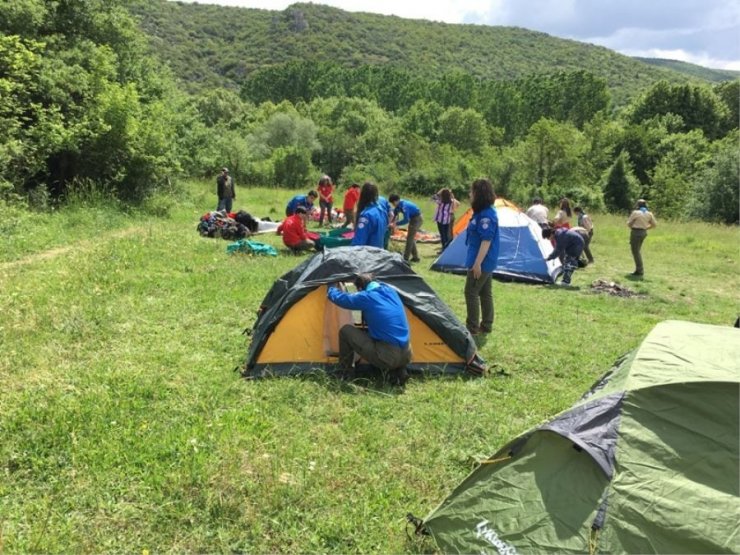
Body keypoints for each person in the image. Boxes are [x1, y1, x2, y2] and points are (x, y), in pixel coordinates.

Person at [327, 273, 412, 385]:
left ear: (361, 288)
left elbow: (342, 299)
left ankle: (345, 373)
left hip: (388, 356)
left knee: (346, 331)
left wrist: (331, 287)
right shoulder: (391, 291)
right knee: (385, 333)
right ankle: (399, 372)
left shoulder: (367, 297)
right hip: (407, 355)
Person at [464, 178, 500, 335]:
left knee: (470, 291)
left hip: (482, 260)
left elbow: (486, 240)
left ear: (478, 194)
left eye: (472, 191)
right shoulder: (481, 212)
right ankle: (486, 325)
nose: (469, 194)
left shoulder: (487, 215)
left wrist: (477, 263)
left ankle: (472, 328)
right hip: (481, 258)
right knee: (485, 292)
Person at [627, 199, 657, 277]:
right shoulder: (649, 214)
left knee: (635, 252)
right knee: (637, 250)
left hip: (636, 231)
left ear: (638, 205)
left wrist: (632, 228)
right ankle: (639, 269)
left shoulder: (635, 212)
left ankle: (639, 270)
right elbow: (654, 225)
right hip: (643, 232)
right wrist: (646, 228)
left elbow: (629, 223)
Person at [351, 182, 386, 248]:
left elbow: (359, 242)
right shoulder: (381, 211)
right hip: (379, 251)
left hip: (368, 254)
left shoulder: (366, 215)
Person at [389, 194, 423, 263]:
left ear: (397, 201)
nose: (393, 204)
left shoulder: (405, 206)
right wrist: (392, 221)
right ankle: (415, 258)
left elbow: (406, 220)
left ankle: (405, 258)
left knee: (409, 239)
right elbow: (395, 212)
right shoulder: (399, 204)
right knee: (411, 237)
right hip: (413, 218)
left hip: (416, 219)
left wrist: (396, 224)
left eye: (393, 203)